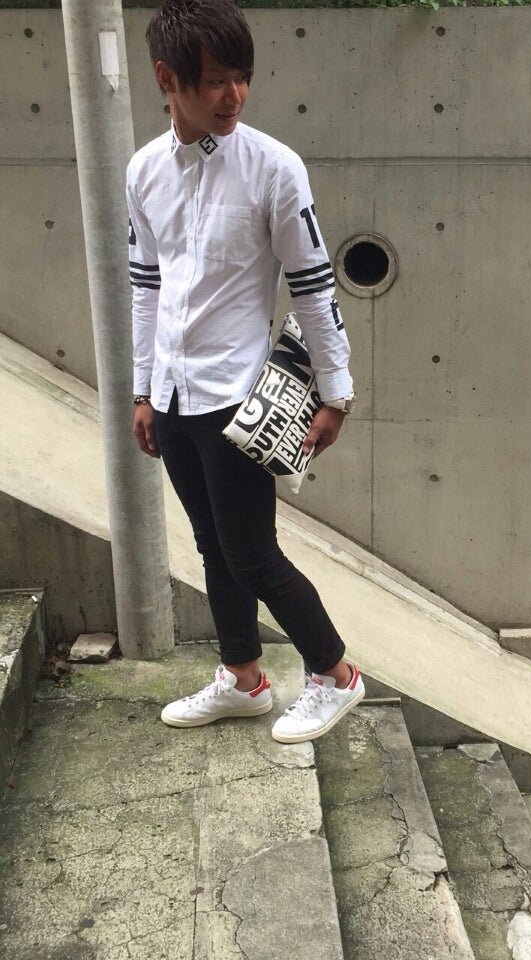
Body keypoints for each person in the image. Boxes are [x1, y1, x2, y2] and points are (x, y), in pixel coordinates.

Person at [127, 0, 364, 743]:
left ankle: (337, 674)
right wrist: (142, 389)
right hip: (172, 395)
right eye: (214, 80)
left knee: (253, 555)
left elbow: (314, 286)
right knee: (211, 547)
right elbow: (146, 285)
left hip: (237, 397)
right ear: (168, 79)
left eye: (242, 77)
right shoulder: (143, 171)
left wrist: (336, 392)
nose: (234, 95)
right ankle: (243, 677)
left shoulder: (273, 167)